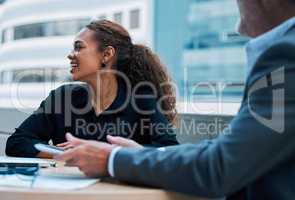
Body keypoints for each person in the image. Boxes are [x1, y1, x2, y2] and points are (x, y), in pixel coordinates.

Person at [53, 0, 295, 199]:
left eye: (78, 47)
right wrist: (135, 155)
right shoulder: (64, 96)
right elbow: (230, 153)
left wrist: (110, 158)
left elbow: (220, 164)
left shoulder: (287, 54)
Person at [5, 20, 179, 158]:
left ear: (106, 55)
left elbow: (170, 151)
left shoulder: (141, 99)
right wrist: (66, 154)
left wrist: (109, 154)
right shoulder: (62, 98)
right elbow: (17, 142)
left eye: (79, 47)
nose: (70, 54)